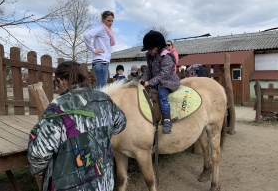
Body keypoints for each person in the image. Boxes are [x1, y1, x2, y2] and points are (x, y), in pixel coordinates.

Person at [27, 61, 126, 191]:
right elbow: (120, 124)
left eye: (57, 85)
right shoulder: (104, 99)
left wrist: (38, 170)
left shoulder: (57, 107)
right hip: (104, 183)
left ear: (61, 81)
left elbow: (38, 154)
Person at [139, 30, 180, 134]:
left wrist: (150, 82)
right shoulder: (151, 56)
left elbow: (164, 74)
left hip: (167, 81)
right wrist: (143, 78)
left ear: (158, 47)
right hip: (157, 80)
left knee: (162, 94)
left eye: (150, 49)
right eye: (148, 49)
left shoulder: (166, 56)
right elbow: (149, 70)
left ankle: (167, 120)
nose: (149, 51)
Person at [84, 10, 116, 89]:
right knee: (102, 90)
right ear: (103, 20)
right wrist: (93, 49)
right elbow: (86, 35)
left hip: (102, 63)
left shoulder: (107, 31)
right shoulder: (101, 29)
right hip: (101, 62)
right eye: (108, 21)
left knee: (101, 88)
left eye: (112, 21)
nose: (110, 23)